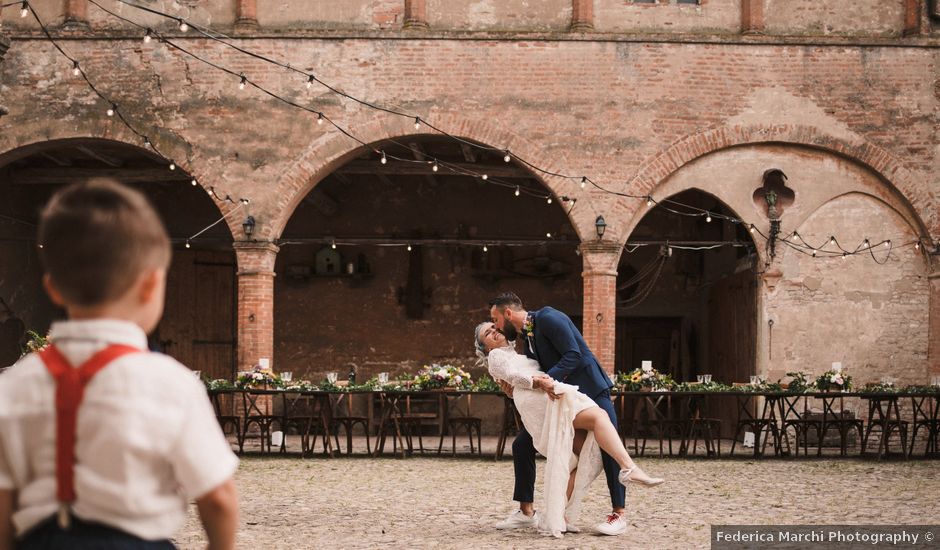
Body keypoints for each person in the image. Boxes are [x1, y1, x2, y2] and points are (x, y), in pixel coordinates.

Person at [0, 179, 239, 549]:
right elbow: (218, 498)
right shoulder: (170, 383)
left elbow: (3, 505)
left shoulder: (14, 384)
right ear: (151, 286)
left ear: (53, 288)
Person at [476, 322, 663, 538]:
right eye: (487, 334)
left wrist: (521, 386)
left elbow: (515, 381)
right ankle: (629, 468)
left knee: (584, 454)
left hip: (543, 396)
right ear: (486, 347)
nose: (494, 331)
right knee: (598, 418)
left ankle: (557, 516)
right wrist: (540, 383)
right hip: (544, 398)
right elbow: (516, 377)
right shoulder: (496, 356)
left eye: (493, 326)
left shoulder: (521, 349)